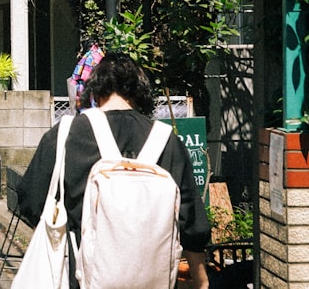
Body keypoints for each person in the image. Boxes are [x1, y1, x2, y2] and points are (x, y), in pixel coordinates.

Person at [16, 53, 211, 289]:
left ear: (95, 92)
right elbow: (191, 222)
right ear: (140, 94)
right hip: (154, 280)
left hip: (79, 278)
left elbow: (30, 200)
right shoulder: (166, 140)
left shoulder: (66, 134)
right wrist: (201, 281)